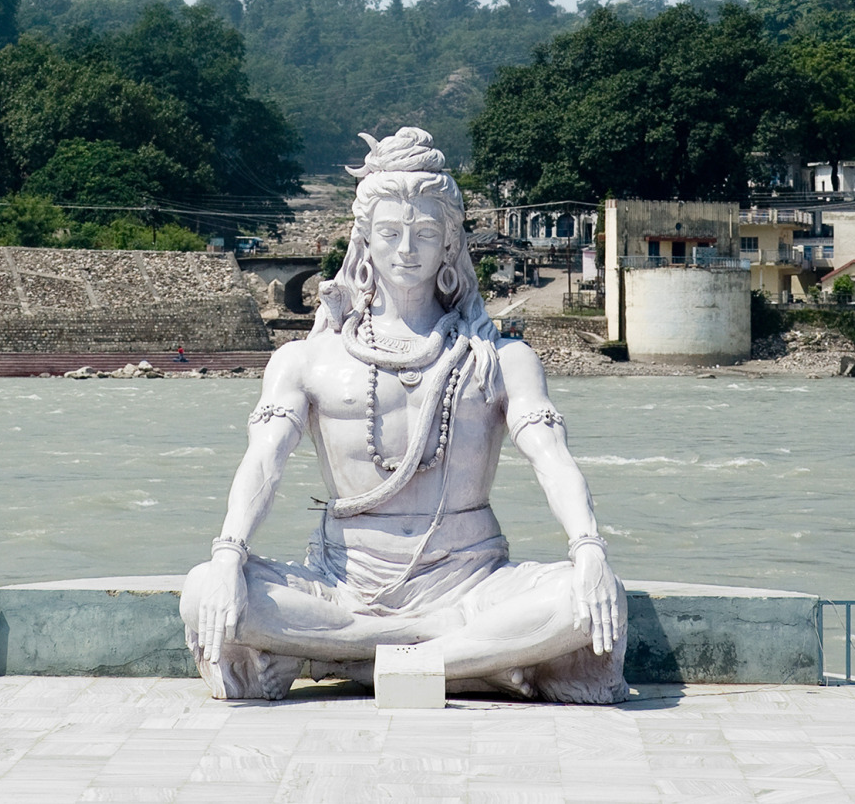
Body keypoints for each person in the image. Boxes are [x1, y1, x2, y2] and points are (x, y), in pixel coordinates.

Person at [180, 128, 627, 703]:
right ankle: (464, 658)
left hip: (471, 582)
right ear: (364, 240)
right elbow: (265, 459)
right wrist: (228, 553)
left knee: (582, 599)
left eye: (425, 234)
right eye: (390, 233)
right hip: (344, 585)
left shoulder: (500, 358)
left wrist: (588, 547)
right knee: (202, 591)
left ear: (450, 244)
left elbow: (551, 458)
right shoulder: (307, 359)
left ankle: (350, 659)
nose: (407, 250)